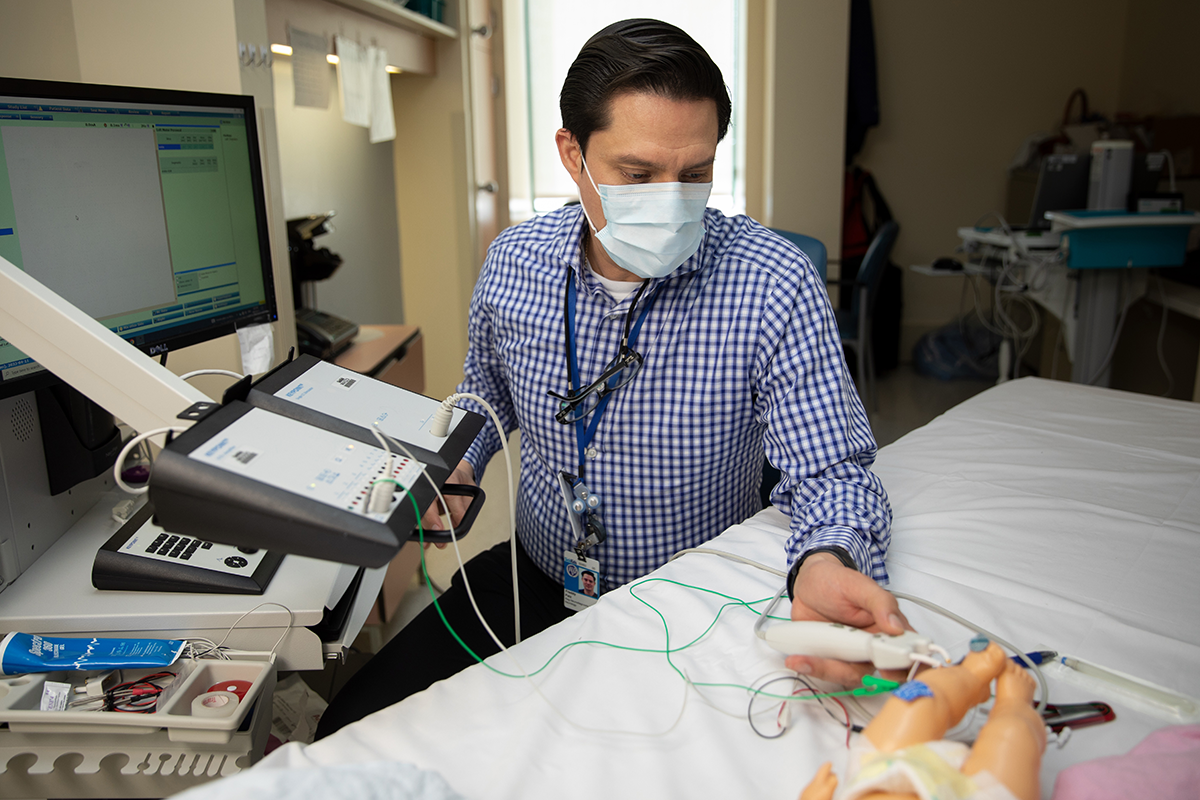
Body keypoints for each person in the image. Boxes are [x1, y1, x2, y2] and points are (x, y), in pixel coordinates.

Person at [316, 17, 899, 739]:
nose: (671, 199)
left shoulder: (772, 282)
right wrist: (457, 466)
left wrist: (829, 556)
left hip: (699, 595)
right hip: (540, 575)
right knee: (353, 725)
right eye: (637, 174)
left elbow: (832, 470)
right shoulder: (515, 262)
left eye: (695, 175)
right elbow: (487, 393)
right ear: (573, 153)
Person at [799, 639, 1046, 800]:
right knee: (1012, 736)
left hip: (878, 777)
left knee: (913, 700)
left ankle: (968, 678)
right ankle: (1013, 705)